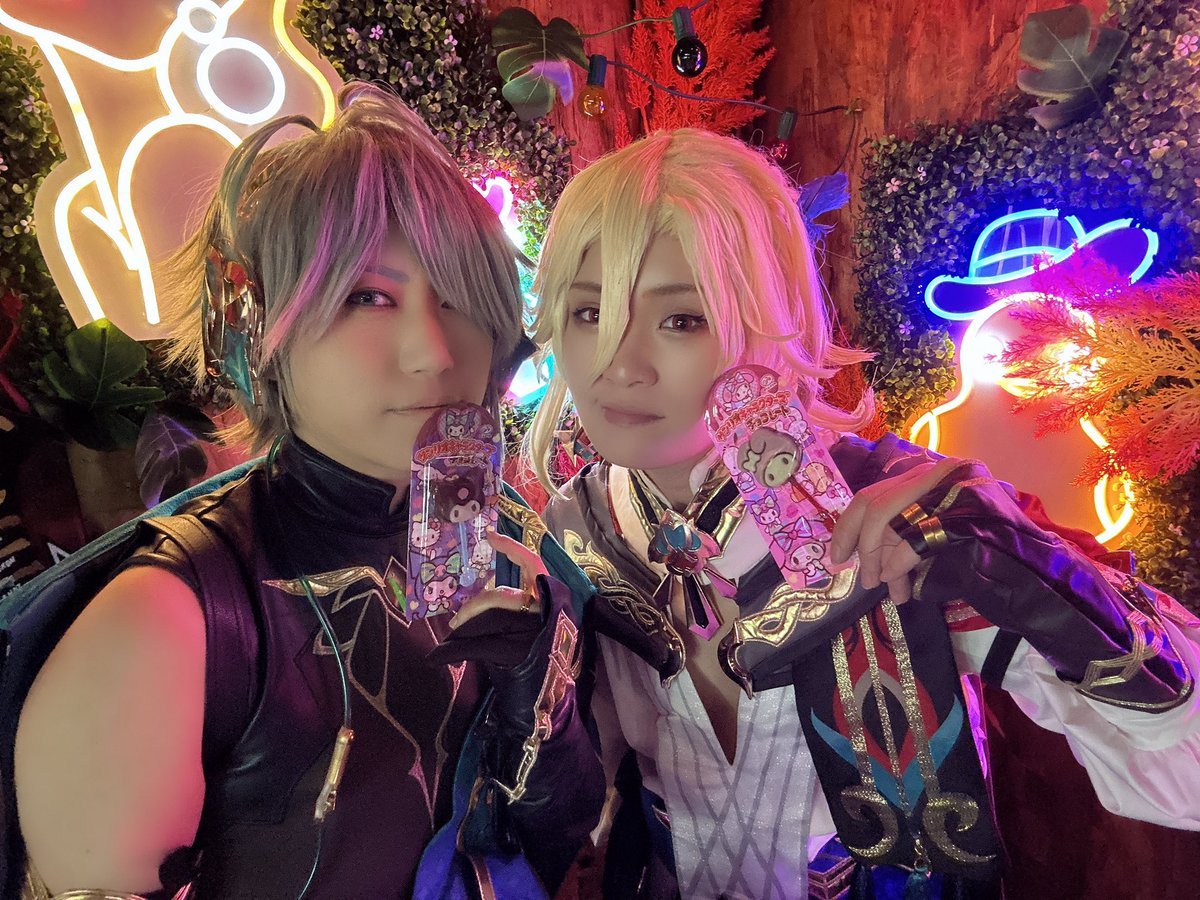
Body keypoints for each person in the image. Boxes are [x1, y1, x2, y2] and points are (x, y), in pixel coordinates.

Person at [525, 128, 1200, 899]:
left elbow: (1184, 774)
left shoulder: (902, 512)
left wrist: (1034, 572)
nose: (619, 364)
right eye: (589, 311)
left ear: (770, 320)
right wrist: (518, 708)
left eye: (681, 319)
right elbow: (579, 806)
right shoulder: (577, 530)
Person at [11, 83, 602, 899]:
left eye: (460, 297)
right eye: (368, 297)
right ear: (258, 327)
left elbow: (554, 841)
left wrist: (537, 693)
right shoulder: (169, 622)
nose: (434, 351)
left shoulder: (511, 550)